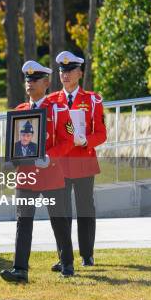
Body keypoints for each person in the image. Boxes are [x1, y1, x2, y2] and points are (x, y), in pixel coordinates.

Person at [0, 60, 76, 283]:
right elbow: (16, 145)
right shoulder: (20, 111)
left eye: (34, 80)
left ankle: (67, 263)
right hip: (26, 175)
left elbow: (68, 140)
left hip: (51, 173)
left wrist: (51, 158)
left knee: (59, 220)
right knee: (23, 221)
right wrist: (10, 162)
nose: (30, 84)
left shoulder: (58, 109)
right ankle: (20, 269)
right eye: (27, 80)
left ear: (46, 82)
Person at [48, 51, 107, 270]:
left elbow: (101, 133)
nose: (65, 75)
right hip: (60, 165)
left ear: (80, 73)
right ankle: (64, 257)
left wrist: (86, 141)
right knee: (60, 211)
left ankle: (87, 254)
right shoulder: (52, 101)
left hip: (83, 162)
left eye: (70, 71)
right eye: (62, 71)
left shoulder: (92, 100)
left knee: (85, 209)